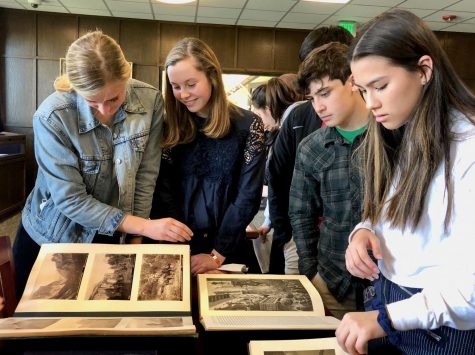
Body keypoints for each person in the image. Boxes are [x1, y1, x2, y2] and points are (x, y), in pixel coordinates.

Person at [336, 9, 475, 355]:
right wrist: (365, 230)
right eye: (363, 90)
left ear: (424, 70)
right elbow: (396, 209)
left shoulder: (468, 148)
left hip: (437, 329)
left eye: (380, 86)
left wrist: (386, 319)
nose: (371, 104)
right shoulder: (406, 128)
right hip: (390, 303)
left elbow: (471, 291)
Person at [12, 31, 192, 299]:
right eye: (91, 102)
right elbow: (70, 200)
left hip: (116, 230)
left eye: (114, 99)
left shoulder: (149, 101)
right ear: (75, 88)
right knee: (45, 332)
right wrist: (143, 226)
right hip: (53, 236)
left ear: (126, 76)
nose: (105, 110)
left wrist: (135, 241)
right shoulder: (52, 116)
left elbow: (146, 175)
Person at [151, 37, 266, 275]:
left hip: (227, 250)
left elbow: (247, 196)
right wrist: (183, 248)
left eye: (191, 84)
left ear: (212, 76)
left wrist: (216, 254)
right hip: (176, 247)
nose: (183, 94)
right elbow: (164, 192)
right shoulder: (169, 127)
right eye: (175, 86)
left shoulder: (248, 125)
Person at [289, 42, 369, 319]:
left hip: (391, 284)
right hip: (332, 282)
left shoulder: (391, 136)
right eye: (312, 98)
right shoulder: (310, 147)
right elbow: (301, 213)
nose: (318, 107)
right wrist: (311, 271)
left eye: (325, 93)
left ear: (352, 81)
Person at [267, 26, 354, 274]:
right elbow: (278, 176)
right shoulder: (300, 116)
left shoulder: (382, 126)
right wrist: (284, 233)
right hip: (304, 240)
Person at [250, 78, 303, 275]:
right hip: (284, 224)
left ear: (269, 109)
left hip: (294, 229)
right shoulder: (281, 132)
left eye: (258, 115)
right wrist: (268, 221)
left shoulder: (289, 131)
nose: (259, 124)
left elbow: (279, 183)